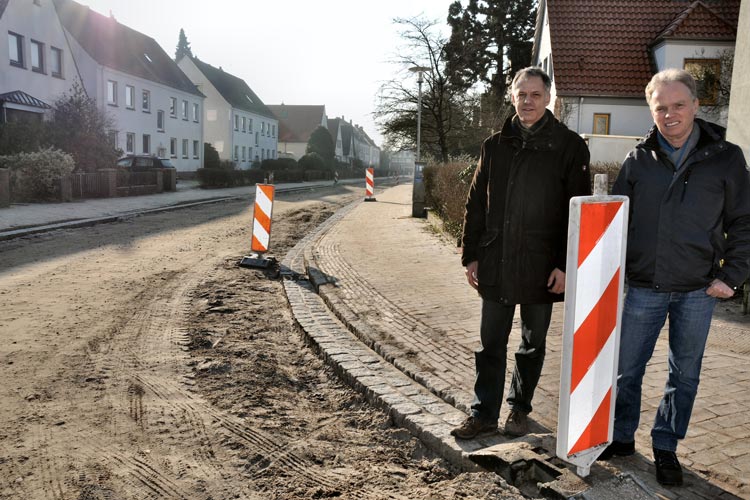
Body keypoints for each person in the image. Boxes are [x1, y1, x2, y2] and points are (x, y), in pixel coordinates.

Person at [601, 68, 750, 487]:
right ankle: (622, 436)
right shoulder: (637, 159)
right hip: (645, 286)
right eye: (660, 107)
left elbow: (744, 222)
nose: (669, 115)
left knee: (684, 374)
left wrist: (732, 276)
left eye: (678, 105)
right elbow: (615, 223)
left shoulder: (727, 157)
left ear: (696, 106)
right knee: (626, 369)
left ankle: (666, 446)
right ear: (651, 111)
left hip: (699, 290)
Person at [452, 67, 591, 440]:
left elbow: (577, 211)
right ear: (511, 97)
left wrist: (564, 265)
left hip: (541, 264)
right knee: (490, 344)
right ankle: (483, 414)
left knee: (532, 344)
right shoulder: (494, 145)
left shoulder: (570, 146)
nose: (527, 101)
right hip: (495, 261)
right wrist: (470, 255)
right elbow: (475, 204)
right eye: (521, 94)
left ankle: (519, 410)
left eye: (535, 95)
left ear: (549, 99)